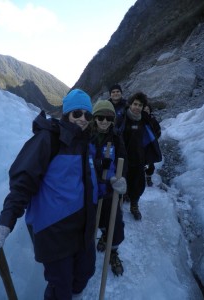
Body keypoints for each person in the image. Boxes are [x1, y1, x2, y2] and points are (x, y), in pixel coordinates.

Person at [0, 89, 99, 300]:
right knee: (60, 288)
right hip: (54, 231)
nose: (83, 120)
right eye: (77, 113)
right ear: (66, 114)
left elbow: (90, 184)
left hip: (82, 230)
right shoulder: (48, 139)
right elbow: (22, 183)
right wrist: (5, 223)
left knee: (85, 273)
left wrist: (111, 186)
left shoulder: (86, 144)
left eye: (87, 115)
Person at [89, 100, 127, 276]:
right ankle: (102, 239)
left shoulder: (117, 139)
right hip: (91, 190)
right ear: (94, 118)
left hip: (110, 190)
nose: (104, 121)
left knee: (115, 224)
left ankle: (113, 251)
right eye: (100, 117)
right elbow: (83, 162)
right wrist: (98, 164)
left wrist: (121, 179)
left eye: (108, 118)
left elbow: (123, 163)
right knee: (93, 222)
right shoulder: (87, 136)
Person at [123, 92, 162, 220]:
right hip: (123, 159)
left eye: (140, 105)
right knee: (123, 181)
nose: (137, 107)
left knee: (138, 183)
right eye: (135, 104)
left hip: (140, 158)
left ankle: (134, 204)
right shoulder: (123, 119)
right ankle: (124, 197)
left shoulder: (145, 120)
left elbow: (152, 136)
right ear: (130, 104)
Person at [143, 103, 161, 187]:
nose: (146, 110)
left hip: (151, 145)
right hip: (141, 146)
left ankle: (148, 177)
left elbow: (158, 131)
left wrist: (154, 138)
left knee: (150, 163)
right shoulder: (139, 119)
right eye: (145, 109)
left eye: (148, 109)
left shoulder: (153, 120)